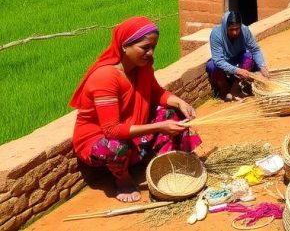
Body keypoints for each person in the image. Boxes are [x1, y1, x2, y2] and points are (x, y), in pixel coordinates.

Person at [70, 17, 201, 203]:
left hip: (130, 128)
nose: (150, 52)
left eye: (153, 47)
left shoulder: (143, 67)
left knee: (174, 114)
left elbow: (156, 92)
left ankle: (166, 163)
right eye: (145, 47)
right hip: (99, 139)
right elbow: (111, 130)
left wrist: (179, 102)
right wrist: (159, 127)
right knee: (115, 146)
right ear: (124, 46)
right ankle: (122, 179)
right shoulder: (105, 77)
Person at [206, 11, 270, 101]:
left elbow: (255, 50)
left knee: (248, 56)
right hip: (224, 61)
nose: (235, 32)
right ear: (225, 27)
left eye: (237, 29)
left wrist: (262, 66)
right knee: (212, 66)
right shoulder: (216, 34)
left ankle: (235, 89)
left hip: (238, 58)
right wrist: (237, 70)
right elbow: (218, 60)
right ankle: (224, 90)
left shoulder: (245, 30)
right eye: (231, 29)